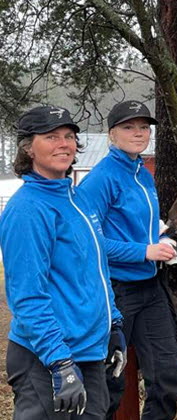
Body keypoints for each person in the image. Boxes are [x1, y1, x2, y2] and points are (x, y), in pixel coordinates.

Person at [0, 106, 125, 419]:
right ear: (28, 147)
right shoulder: (28, 210)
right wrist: (60, 363)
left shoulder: (78, 199)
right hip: (46, 359)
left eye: (69, 136)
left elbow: (96, 271)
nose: (64, 144)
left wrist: (114, 325)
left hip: (89, 353)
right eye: (51, 136)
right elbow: (27, 296)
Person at [79, 101, 177, 419]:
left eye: (143, 127)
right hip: (116, 291)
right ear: (112, 134)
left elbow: (144, 227)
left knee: (167, 380)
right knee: (109, 384)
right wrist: (144, 251)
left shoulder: (143, 173)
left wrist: (160, 239)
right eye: (128, 127)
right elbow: (88, 242)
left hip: (151, 288)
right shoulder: (101, 179)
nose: (138, 133)